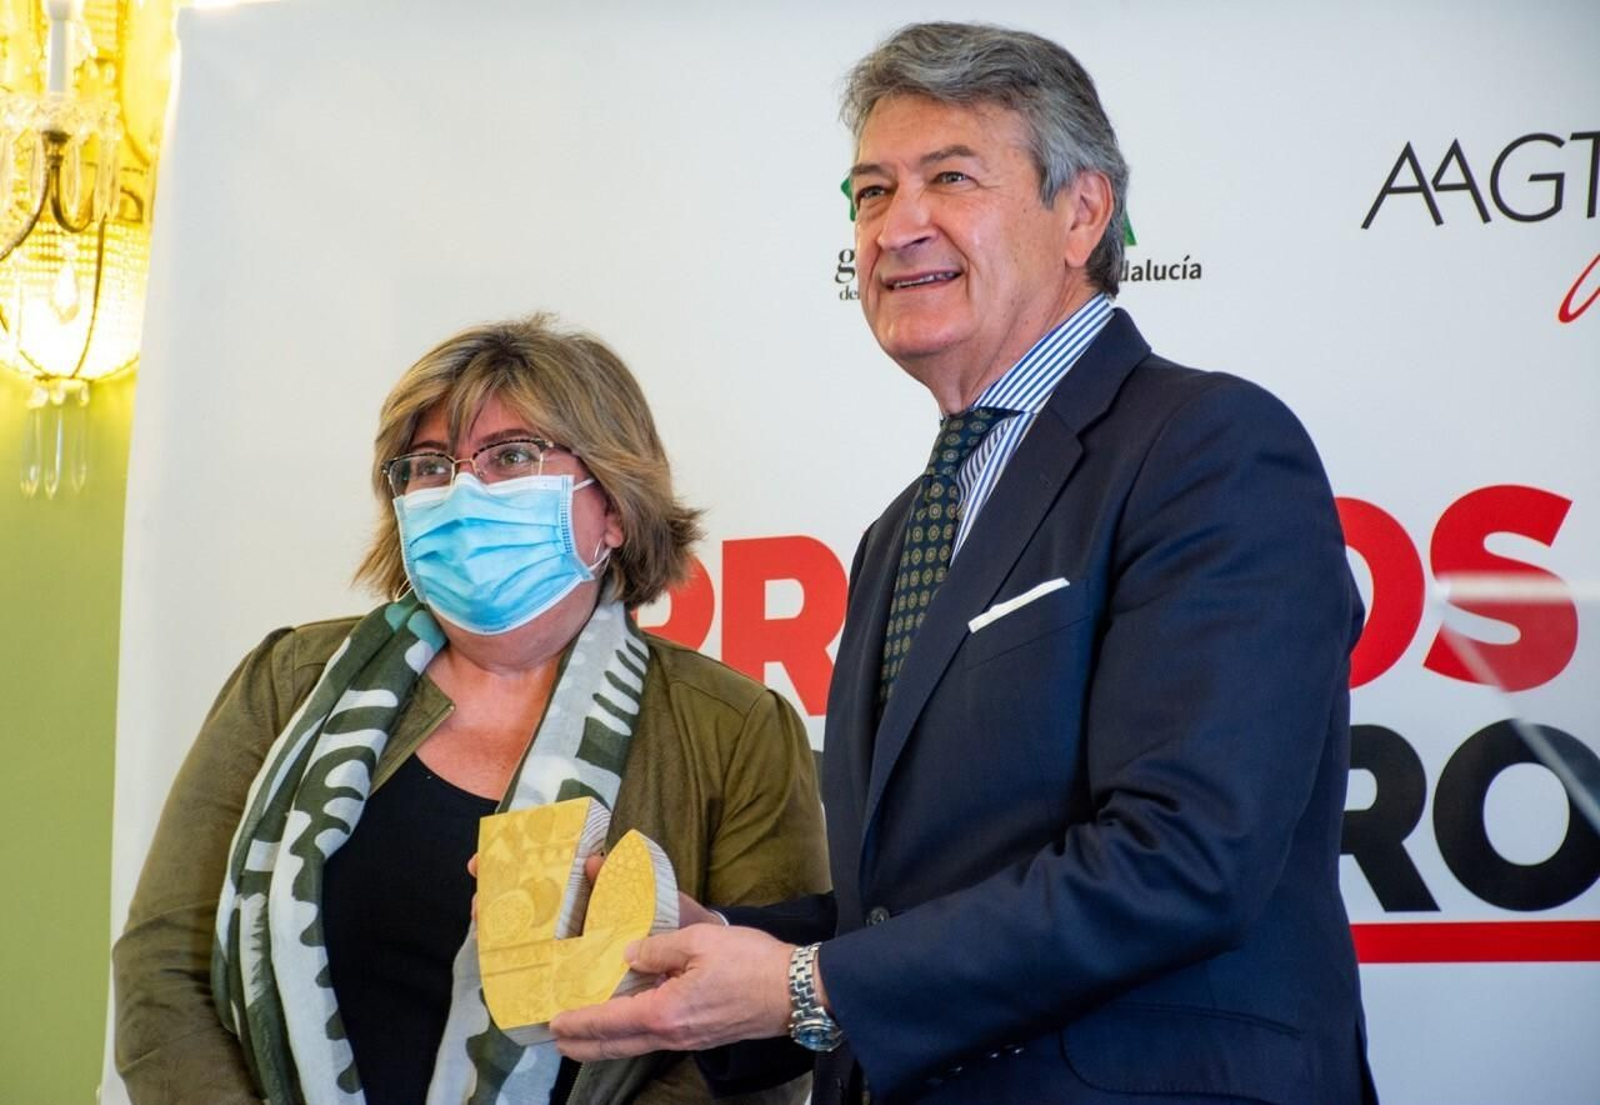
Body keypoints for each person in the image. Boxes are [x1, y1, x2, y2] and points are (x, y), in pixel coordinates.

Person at [551, 21, 1378, 1105]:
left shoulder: (1208, 445)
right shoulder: (903, 529)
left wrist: (810, 984)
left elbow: (1185, 857)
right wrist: (694, 941)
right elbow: (901, 909)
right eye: (870, 193)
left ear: (1081, 211)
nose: (897, 226)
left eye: (950, 177)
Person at [112, 315, 829, 1105]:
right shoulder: (290, 680)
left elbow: (757, 1044)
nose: (460, 490)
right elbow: (162, 971)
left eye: (512, 456)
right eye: (426, 466)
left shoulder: (733, 729)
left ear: (615, 509)